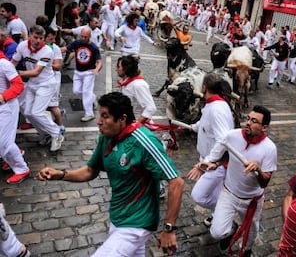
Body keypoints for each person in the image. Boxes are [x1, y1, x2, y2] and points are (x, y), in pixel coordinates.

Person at [37, 92, 184, 256]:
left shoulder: (144, 141)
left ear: (122, 118)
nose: (99, 121)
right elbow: (90, 171)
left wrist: (169, 229)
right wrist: (61, 174)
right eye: (100, 115)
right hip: (117, 217)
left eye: (105, 116)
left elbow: (176, 182)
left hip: (137, 223)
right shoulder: (107, 137)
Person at [199, 105, 277, 257]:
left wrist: (258, 170)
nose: (248, 123)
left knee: (251, 232)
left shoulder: (270, 148)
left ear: (264, 127)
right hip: (228, 193)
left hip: (252, 200)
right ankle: (231, 230)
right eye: (247, 119)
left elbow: (264, 182)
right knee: (216, 232)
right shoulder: (232, 136)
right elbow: (222, 155)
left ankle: (246, 250)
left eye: (254, 121)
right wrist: (213, 163)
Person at [187, 73, 235, 227]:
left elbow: (223, 139)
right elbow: (205, 122)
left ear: (204, 87)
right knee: (217, 192)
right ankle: (218, 215)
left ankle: (224, 212)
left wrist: (208, 161)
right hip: (208, 159)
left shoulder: (217, 108)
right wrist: (192, 127)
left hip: (215, 163)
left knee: (199, 195)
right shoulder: (212, 104)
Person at [11, 25, 64, 152]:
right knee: (28, 113)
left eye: (41, 38)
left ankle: (57, 133)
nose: (38, 40)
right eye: (35, 37)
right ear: (29, 36)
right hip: (32, 84)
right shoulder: (22, 46)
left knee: (36, 112)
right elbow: (12, 62)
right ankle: (45, 134)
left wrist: (15, 73)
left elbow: (36, 72)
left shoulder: (47, 51)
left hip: (46, 84)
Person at [0, 47, 31, 184]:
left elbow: (18, 85)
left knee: (3, 142)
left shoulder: (4, 64)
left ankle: (21, 168)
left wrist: (3, 96)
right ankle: (12, 155)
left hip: (6, 107)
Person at [62, 27, 102, 122]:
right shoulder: (77, 43)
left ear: (89, 36)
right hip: (78, 72)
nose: (83, 38)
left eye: (85, 37)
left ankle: (89, 114)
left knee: (86, 92)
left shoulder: (94, 47)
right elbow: (65, 49)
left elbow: (99, 62)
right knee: (76, 91)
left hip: (89, 72)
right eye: (82, 36)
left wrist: (96, 69)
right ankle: (93, 98)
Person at [116, 55, 156, 124]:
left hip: (138, 126)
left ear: (125, 69)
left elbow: (151, 108)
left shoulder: (138, 85)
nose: (116, 69)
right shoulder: (127, 82)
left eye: (118, 67)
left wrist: (136, 124)